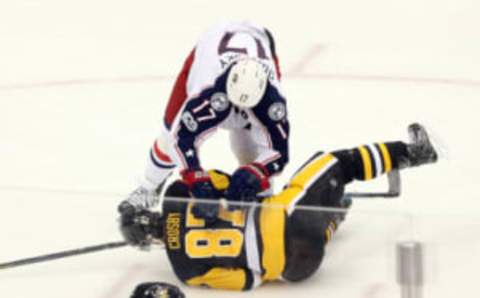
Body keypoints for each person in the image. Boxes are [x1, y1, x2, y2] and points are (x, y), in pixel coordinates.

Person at [120, 123, 438, 292]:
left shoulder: (186, 272)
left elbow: (248, 281)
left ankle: (332, 217)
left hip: (298, 269)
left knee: (298, 238)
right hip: (290, 217)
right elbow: (232, 187)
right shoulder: (177, 191)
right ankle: (414, 152)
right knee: (334, 163)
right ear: (149, 214)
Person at [120, 21, 289, 218]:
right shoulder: (208, 91)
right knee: (168, 136)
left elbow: (278, 150)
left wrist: (257, 172)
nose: (240, 112)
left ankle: (260, 198)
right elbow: (180, 140)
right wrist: (196, 178)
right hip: (211, 53)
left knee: (251, 150)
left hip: (258, 45)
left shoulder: (273, 101)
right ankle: (148, 187)